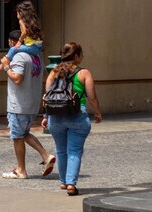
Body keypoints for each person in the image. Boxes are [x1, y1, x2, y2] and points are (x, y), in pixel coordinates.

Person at [45, 42, 102, 197]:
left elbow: (48, 97)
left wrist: (46, 116)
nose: (82, 57)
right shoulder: (84, 73)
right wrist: (97, 112)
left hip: (56, 117)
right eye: (81, 54)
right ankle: (71, 184)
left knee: (60, 150)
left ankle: (63, 182)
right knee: (74, 150)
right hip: (77, 115)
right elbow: (92, 96)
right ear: (76, 56)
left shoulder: (54, 72)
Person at [0, 29, 55, 181]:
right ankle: (46, 155)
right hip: (32, 103)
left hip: (18, 104)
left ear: (13, 42)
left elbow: (17, 79)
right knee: (24, 133)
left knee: (17, 137)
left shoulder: (19, 56)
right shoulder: (36, 57)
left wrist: (6, 67)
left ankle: (21, 170)